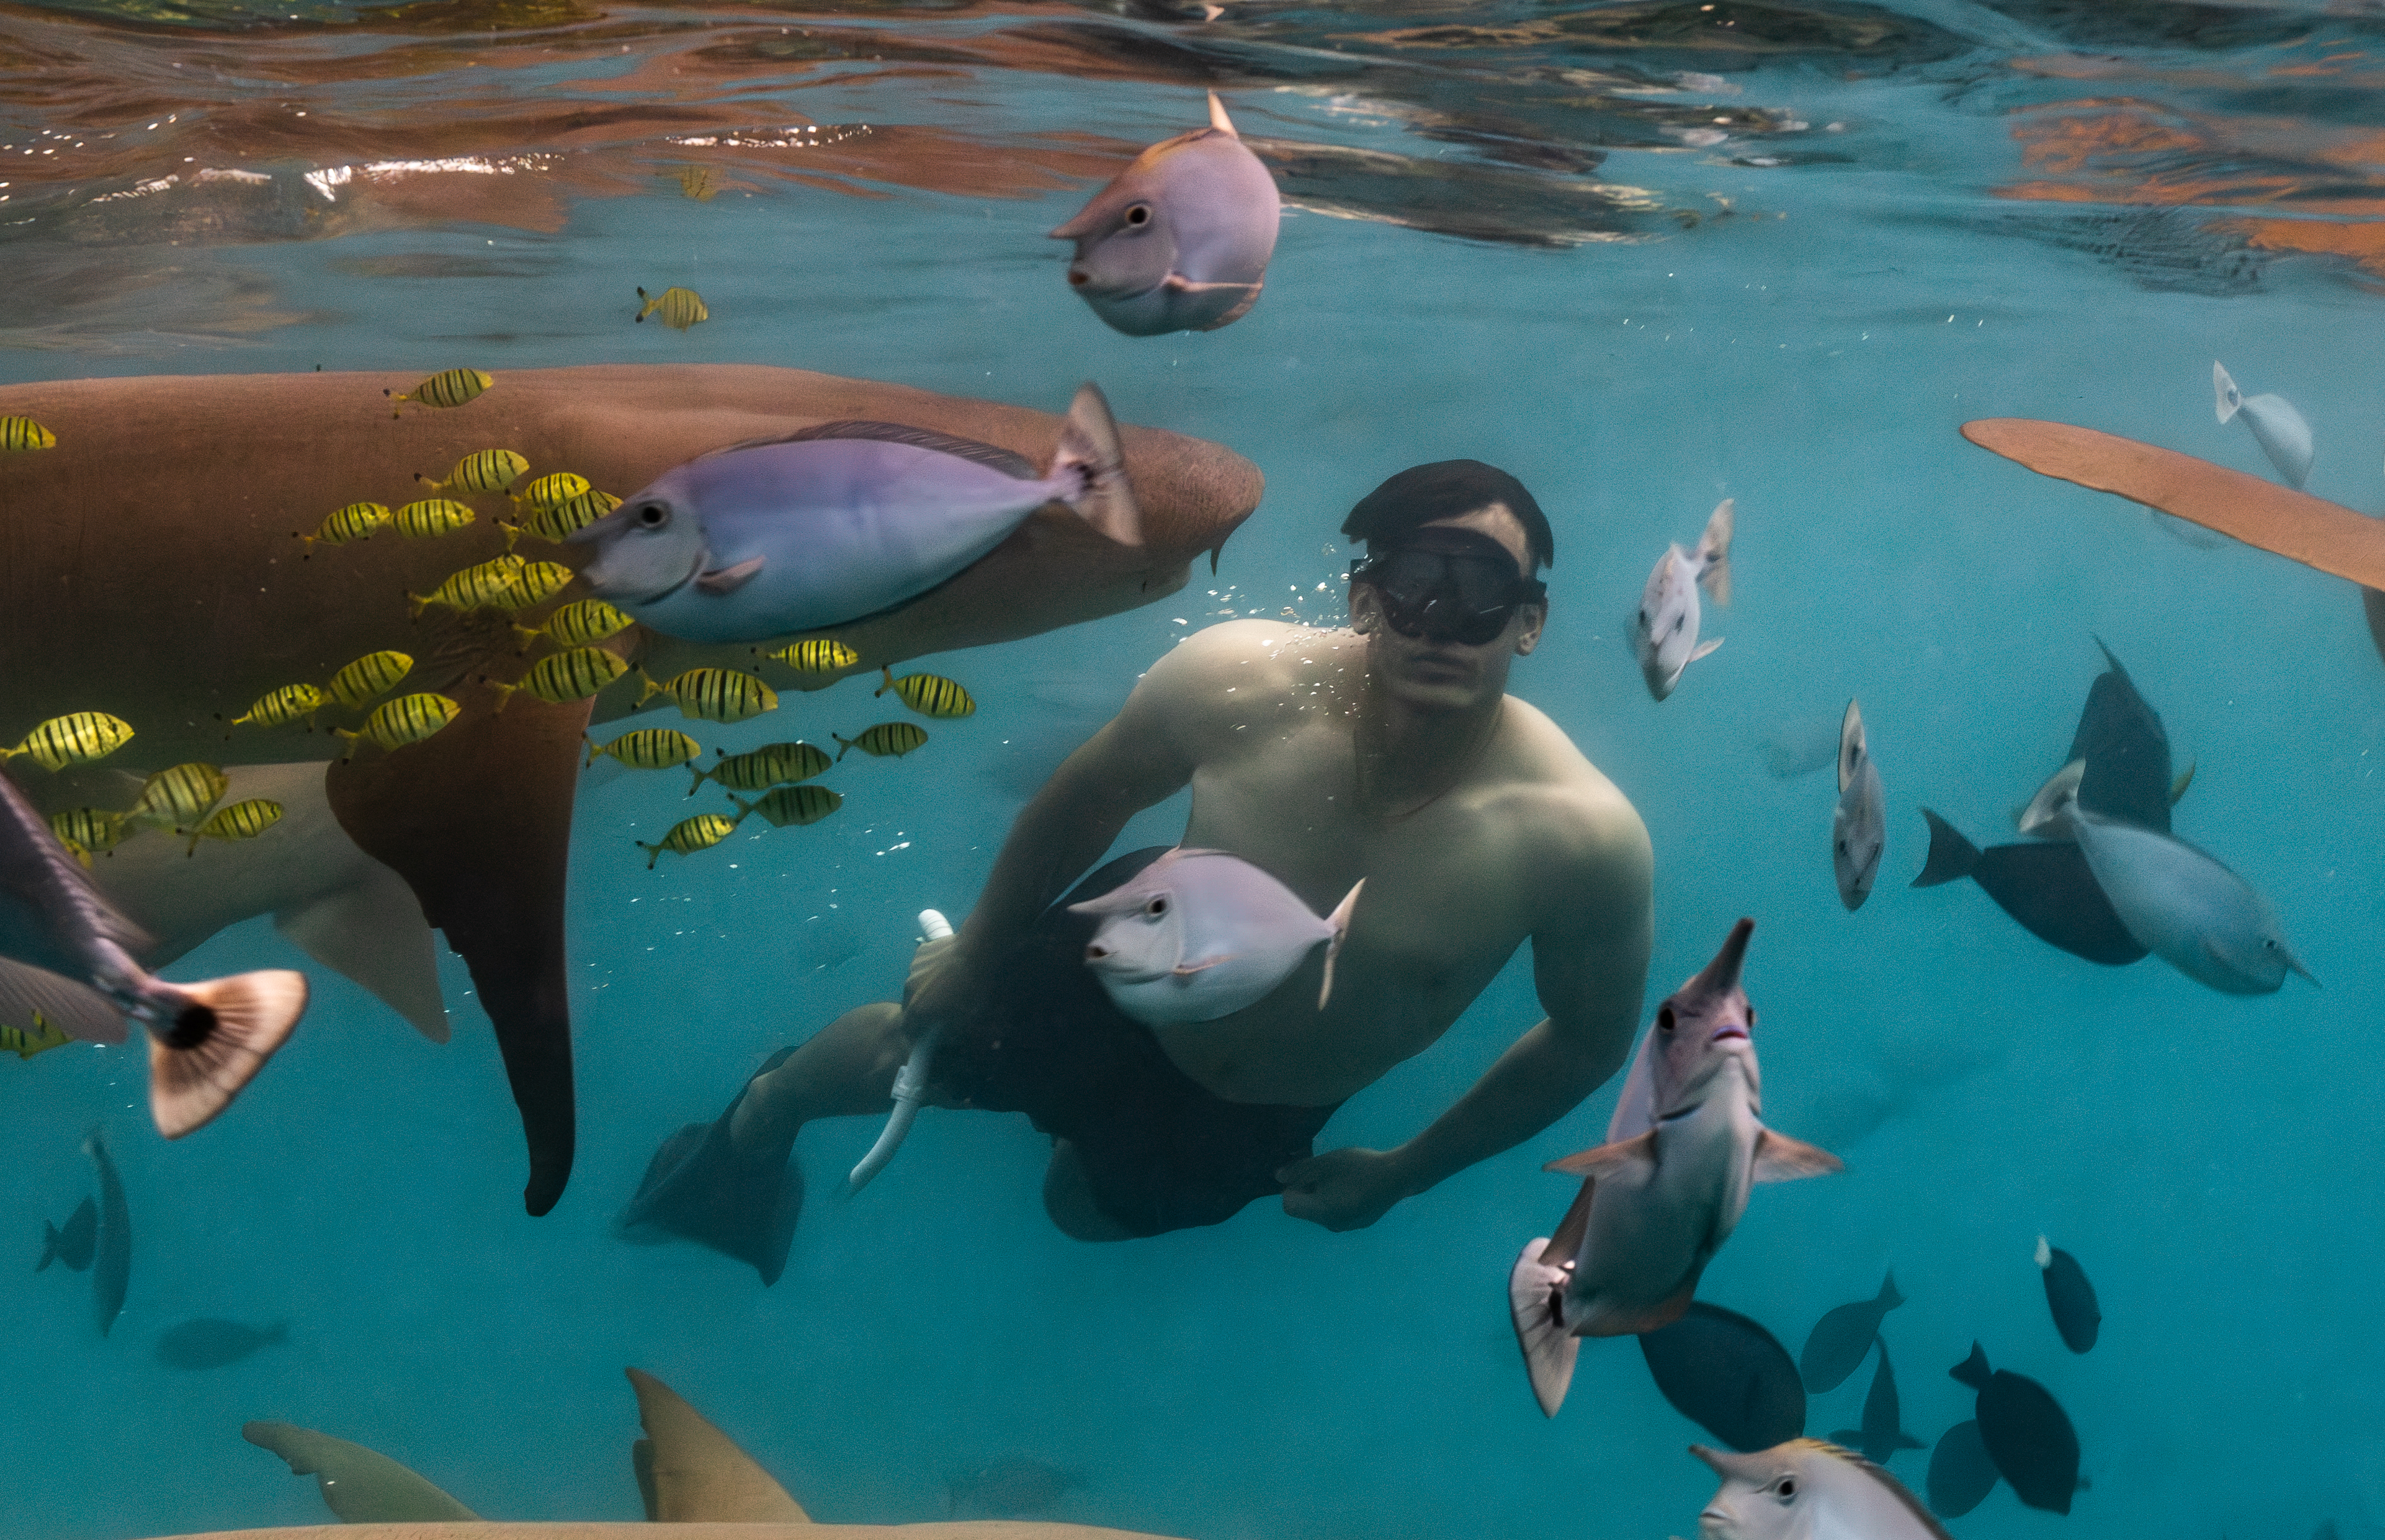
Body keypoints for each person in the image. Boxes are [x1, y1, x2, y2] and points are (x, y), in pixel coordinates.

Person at [627, 460, 1655, 1274]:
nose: (1442, 623)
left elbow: (1589, 1039)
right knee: (922, 1042)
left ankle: (1056, 1118)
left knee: (1078, 1212)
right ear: (1363, 600)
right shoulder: (1238, 679)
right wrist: (980, 949)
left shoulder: (1578, 836)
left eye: (1480, 592)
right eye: (1417, 584)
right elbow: (1089, 794)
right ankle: (753, 1124)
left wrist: (1407, 1171)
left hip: (1253, 1112)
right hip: (1131, 953)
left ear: (1530, 620)